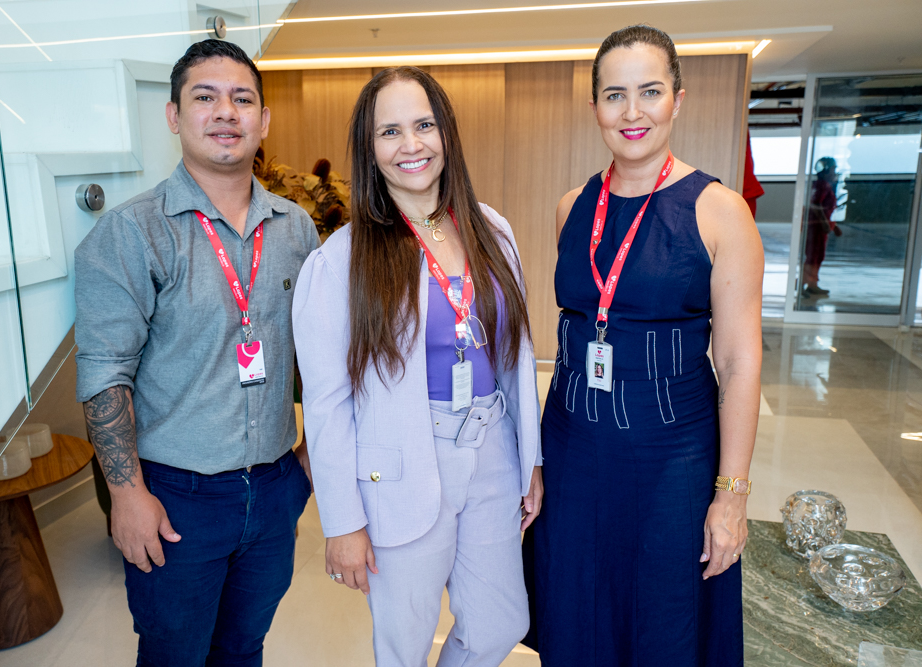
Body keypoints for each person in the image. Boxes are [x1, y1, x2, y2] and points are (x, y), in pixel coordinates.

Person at [522, 25, 763, 665]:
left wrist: (730, 494)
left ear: (677, 99)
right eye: (614, 95)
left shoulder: (719, 210)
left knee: (665, 620)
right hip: (573, 446)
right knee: (576, 612)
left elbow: (740, 363)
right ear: (595, 106)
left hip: (674, 455)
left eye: (650, 92)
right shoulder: (571, 206)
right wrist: (535, 462)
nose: (632, 113)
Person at [74, 39, 318, 666]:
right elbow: (105, 374)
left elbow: (324, 357)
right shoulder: (132, 231)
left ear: (264, 120)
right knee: (174, 653)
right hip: (175, 499)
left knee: (243, 648)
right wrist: (126, 494)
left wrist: (306, 467)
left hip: (272, 489)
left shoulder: (296, 228)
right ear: (174, 116)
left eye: (242, 99)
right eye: (204, 98)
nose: (225, 112)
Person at [292, 66, 543, 666]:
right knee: (403, 647)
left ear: (447, 133)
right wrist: (342, 523)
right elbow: (326, 406)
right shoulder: (340, 262)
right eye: (390, 132)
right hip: (403, 463)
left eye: (424, 125)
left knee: (500, 622)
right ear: (369, 148)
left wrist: (530, 458)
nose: (411, 145)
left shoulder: (492, 231)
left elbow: (515, 356)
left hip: (491, 451)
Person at [802, 156, 841, 297]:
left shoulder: (823, 185)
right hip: (816, 228)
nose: (834, 172)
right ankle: (803, 283)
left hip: (819, 227)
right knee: (814, 256)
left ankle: (812, 283)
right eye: (832, 169)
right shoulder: (822, 186)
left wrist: (833, 226)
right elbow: (816, 205)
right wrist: (825, 224)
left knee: (817, 256)